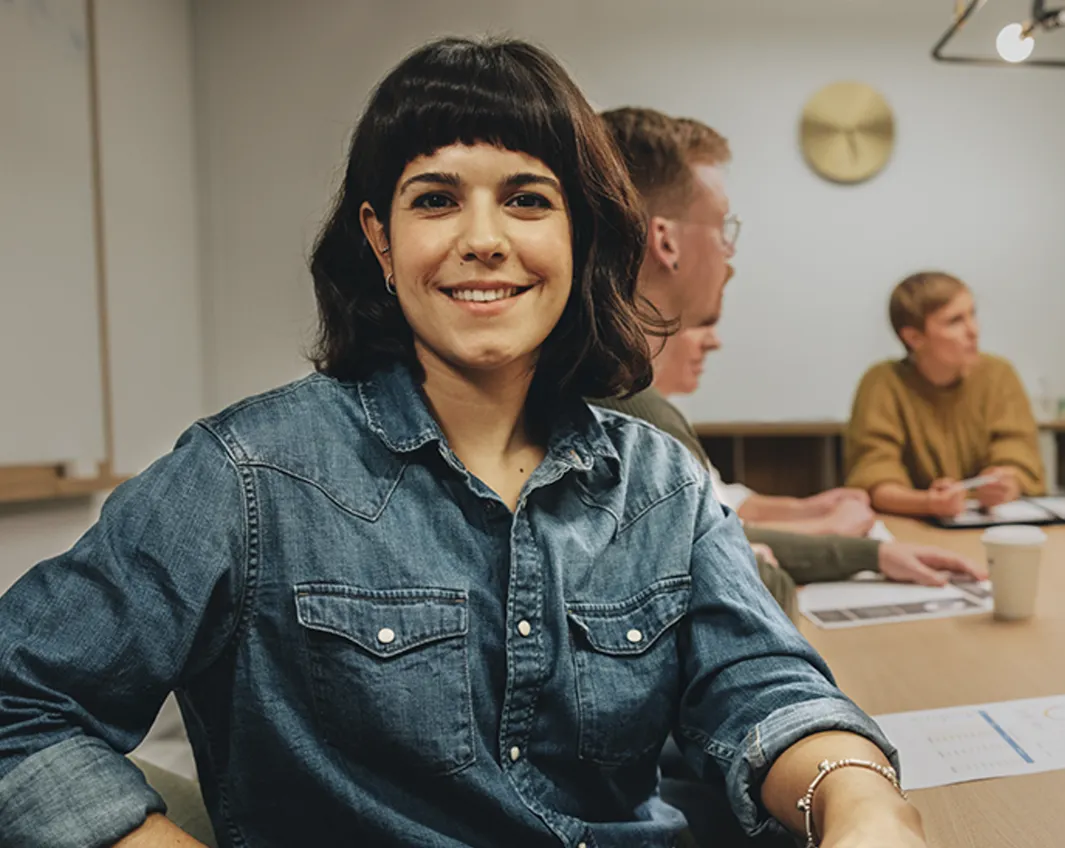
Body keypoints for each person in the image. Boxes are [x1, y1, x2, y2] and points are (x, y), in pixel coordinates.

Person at [0, 38, 926, 847]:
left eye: (527, 199)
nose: (483, 241)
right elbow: (20, 704)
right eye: (436, 199)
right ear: (380, 238)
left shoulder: (659, 483)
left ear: (580, 233)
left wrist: (861, 801)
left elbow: (763, 684)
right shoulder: (247, 474)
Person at [595, 108, 984, 590]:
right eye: (721, 228)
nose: (729, 256)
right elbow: (740, 596)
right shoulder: (632, 415)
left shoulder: (607, 386)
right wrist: (759, 563)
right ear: (666, 241)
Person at [846, 271, 1046, 519]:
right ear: (914, 337)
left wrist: (1007, 482)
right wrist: (927, 503)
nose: (973, 330)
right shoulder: (882, 383)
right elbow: (873, 474)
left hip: (989, 523)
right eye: (955, 321)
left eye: (972, 314)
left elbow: (1018, 453)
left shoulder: (998, 375)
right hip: (911, 528)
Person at [653, 323, 877, 538]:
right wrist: (828, 530)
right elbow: (712, 537)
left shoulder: (671, 407)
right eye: (697, 323)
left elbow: (722, 501)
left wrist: (808, 508)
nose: (714, 341)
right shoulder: (648, 420)